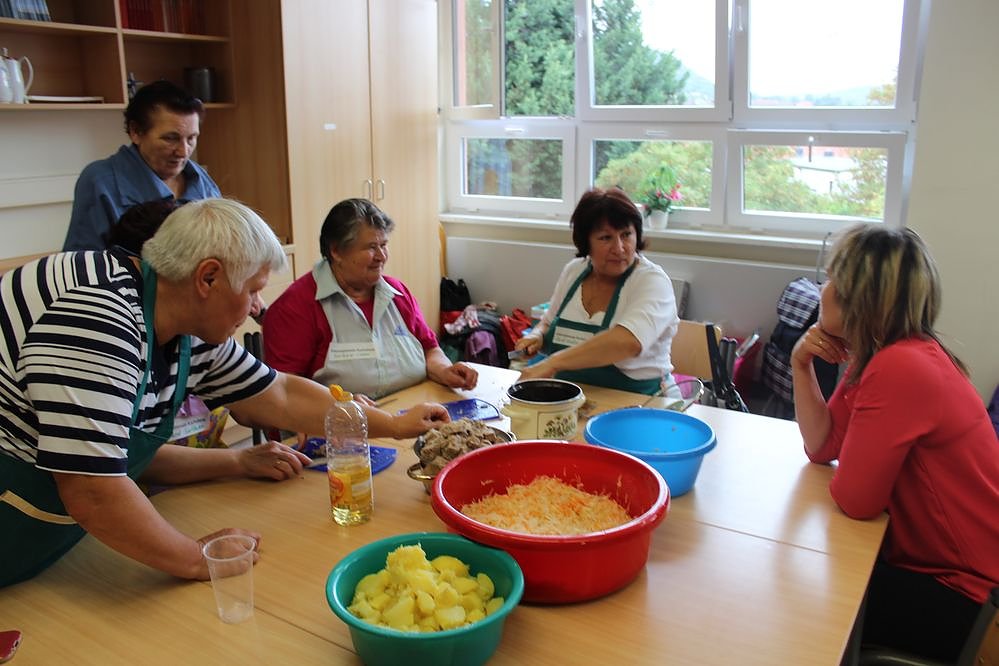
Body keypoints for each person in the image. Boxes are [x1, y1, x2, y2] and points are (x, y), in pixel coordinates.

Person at [0, 198, 448, 588]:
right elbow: (92, 488)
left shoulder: (178, 317)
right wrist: (199, 558)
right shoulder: (95, 315)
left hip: (50, 543)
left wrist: (393, 425)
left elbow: (280, 394)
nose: (256, 308)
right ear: (208, 278)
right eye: (253, 290)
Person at [791, 224, 999, 662]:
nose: (822, 289)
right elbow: (821, 446)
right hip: (949, 574)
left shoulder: (899, 367)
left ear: (858, 298)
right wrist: (800, 364)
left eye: (831, 279)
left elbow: (856, 501)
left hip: (970, 595)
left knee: (807, 605)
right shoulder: (888, 353)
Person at [262, 198, 478, 400]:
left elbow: (430, 349)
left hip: (413, 410)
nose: (381, 256)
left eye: (383, 245)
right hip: (344, 424)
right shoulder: (295, 308)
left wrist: (445, 370)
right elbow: (284, 394)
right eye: (371, 247)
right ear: (336, 251)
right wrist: (339, 406)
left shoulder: (398, 294)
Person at [514, 187, 679, 395]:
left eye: (626, 235)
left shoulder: (652, 281)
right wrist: (537, 336)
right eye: (605, 238)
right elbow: (548, 322)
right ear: (586, 241)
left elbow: (627, 342)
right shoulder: (574, 271)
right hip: (572, 397)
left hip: (642, 400)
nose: (619, 248)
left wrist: (552, 363)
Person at [63, 80, 221, 252]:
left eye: (191, 138)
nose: (183, 151)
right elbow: (81, 263)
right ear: (136, 132)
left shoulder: (200, 178)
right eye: (170, 138)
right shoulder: (100, 181)